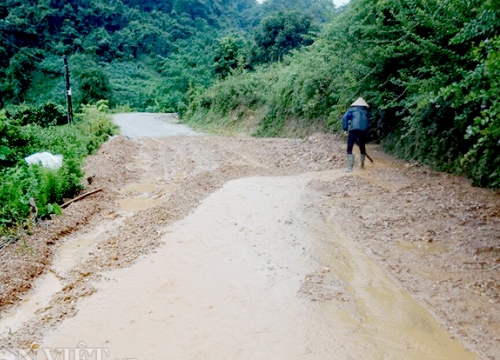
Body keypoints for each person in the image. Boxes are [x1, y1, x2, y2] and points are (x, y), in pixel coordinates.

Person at [342, 97, 370, 172]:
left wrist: (345, 129)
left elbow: (345, 118)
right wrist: (365, 131)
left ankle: (349, 167)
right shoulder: (366, 111)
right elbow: (368, 123)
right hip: (362, 131)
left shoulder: (351, 110)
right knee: (362, 146)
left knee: (350, 147)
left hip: (353, 130)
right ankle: (362, 165)